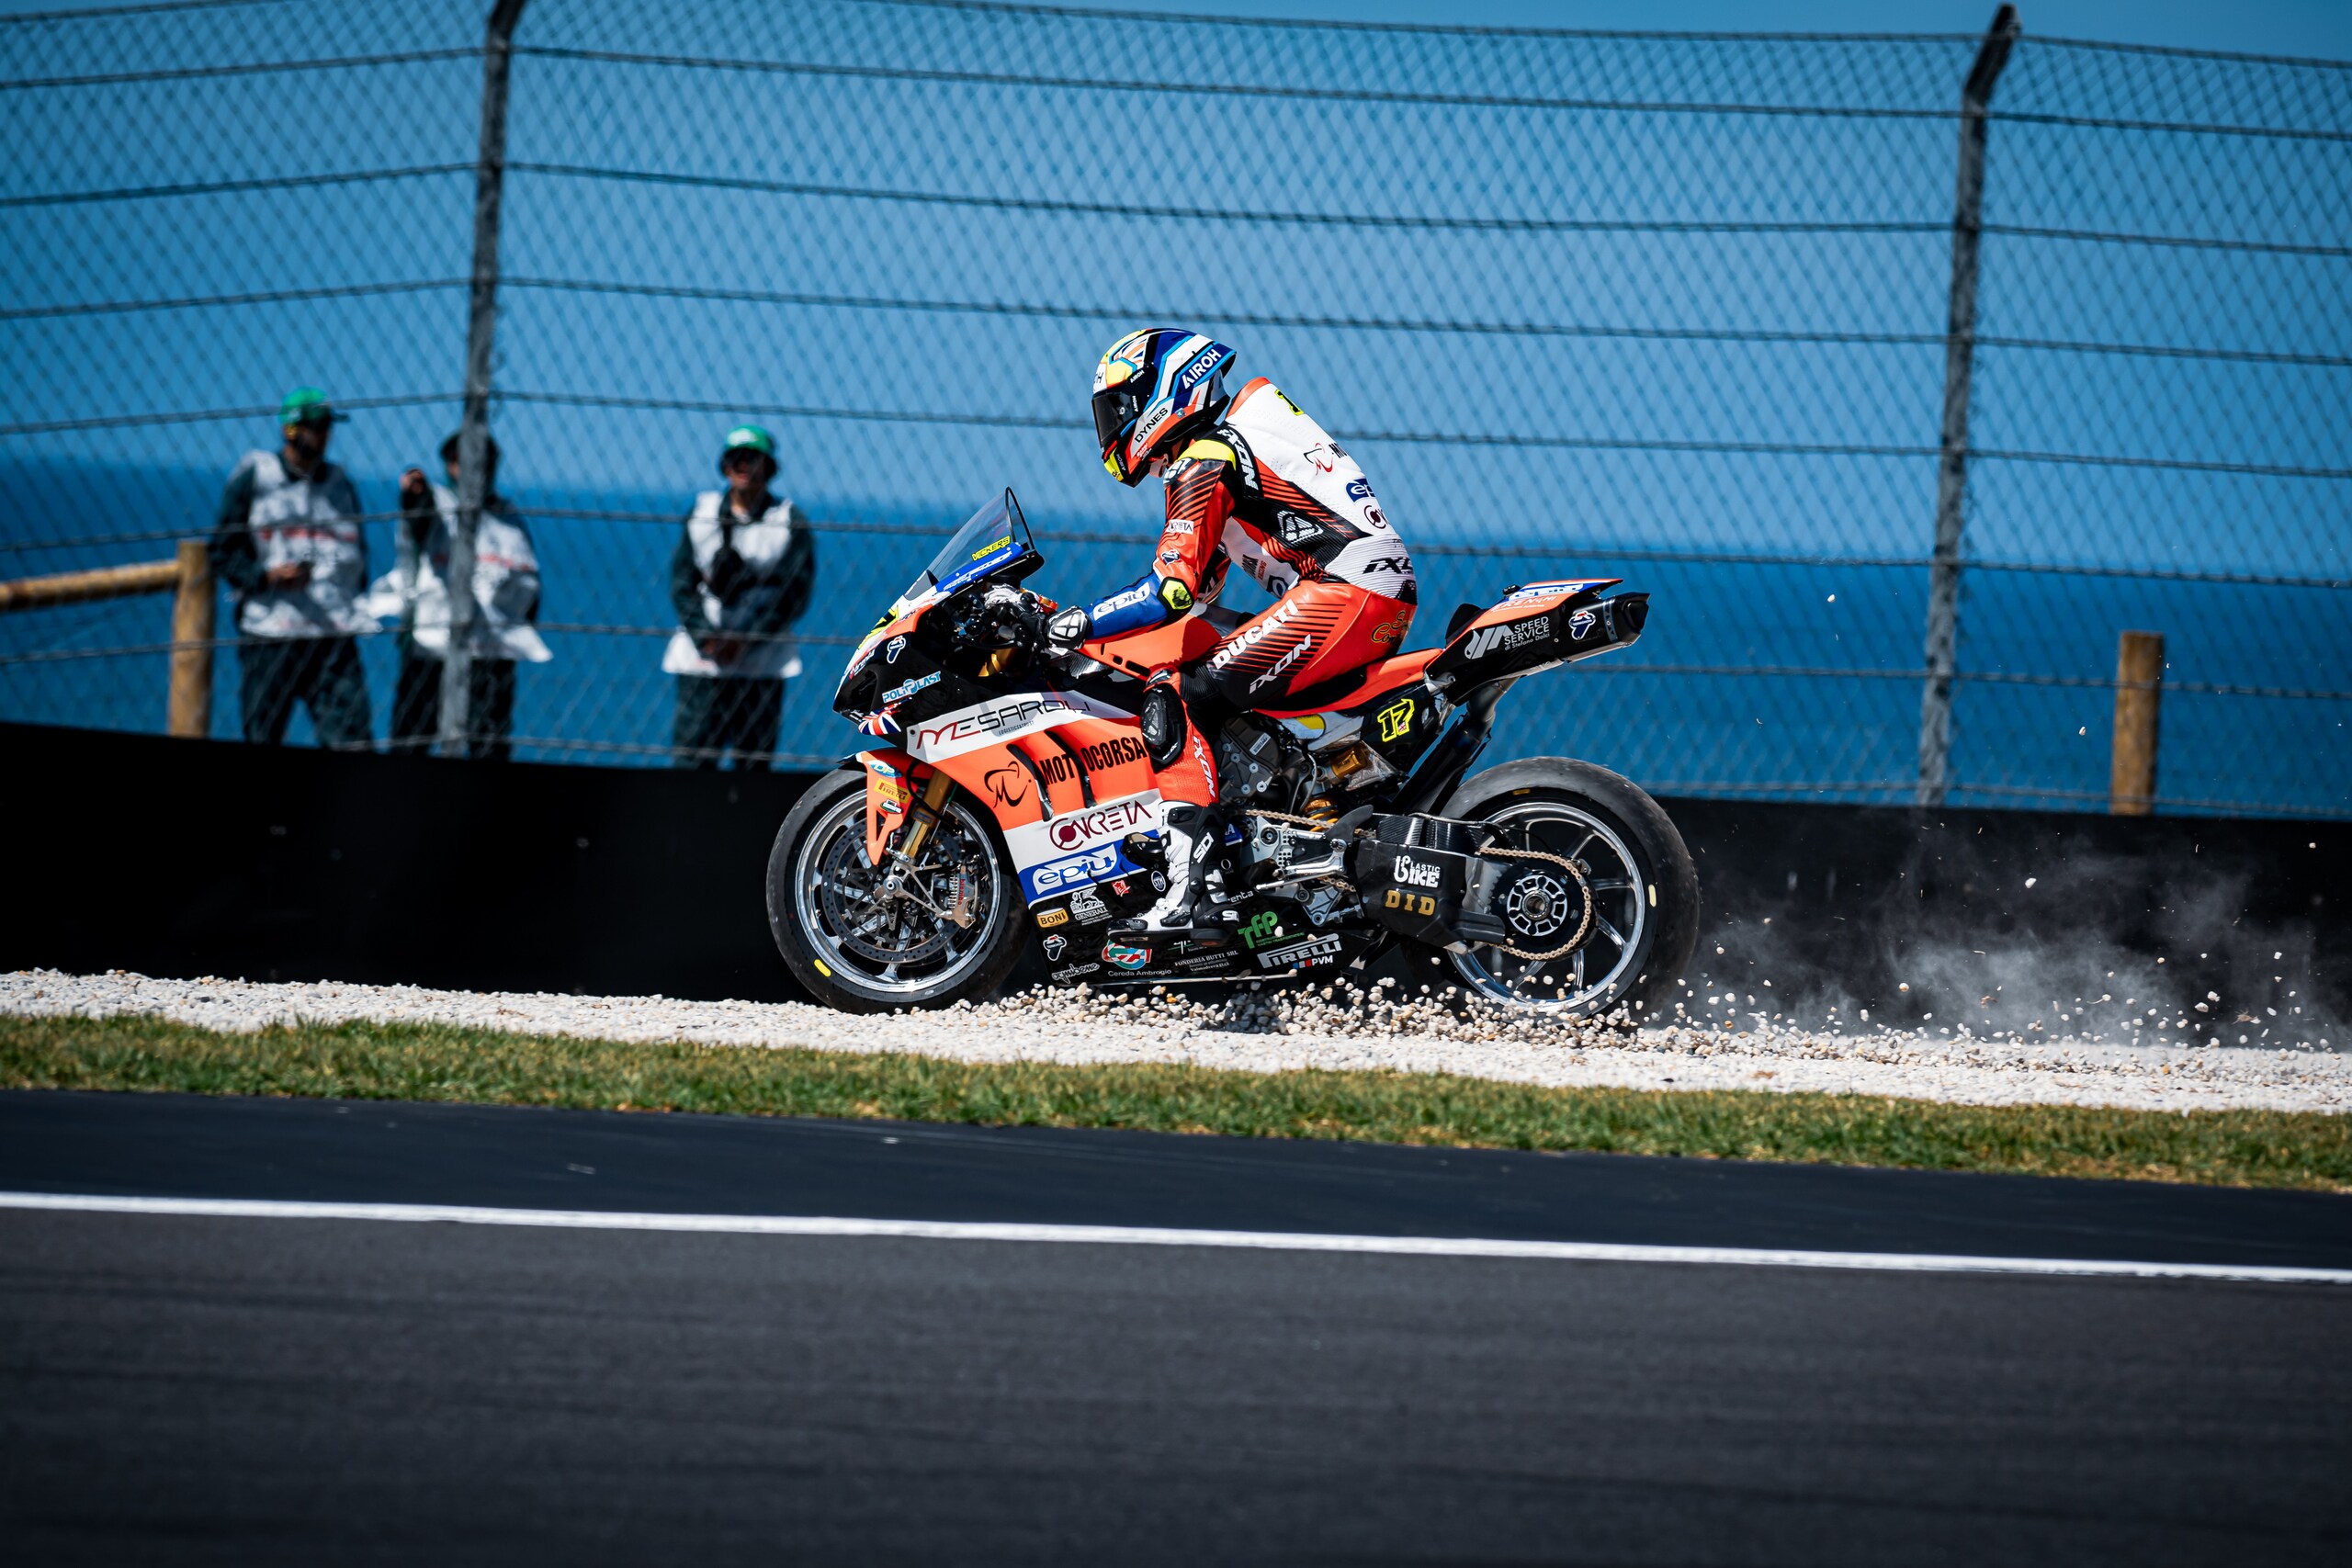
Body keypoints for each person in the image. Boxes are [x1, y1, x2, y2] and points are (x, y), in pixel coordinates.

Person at [1043, 330, 1419, 934]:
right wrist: (1098, 637)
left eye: (1121, 406)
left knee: (1182, 693)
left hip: (1345, 591)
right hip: (1364, 591)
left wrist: (1069, 623)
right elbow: (1191, 606)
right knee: (1194, 659)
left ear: (1162, 391)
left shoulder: (1205, 456)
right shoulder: (1230, 447)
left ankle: (1195, 891)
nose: (1114, 426)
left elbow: (1170, 589)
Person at [208, 386, 375, 748]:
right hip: (272, 634)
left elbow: (357, 551)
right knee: (264, 735)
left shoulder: (340, 484)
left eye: (328, 426)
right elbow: (222, 549)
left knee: (353, 740)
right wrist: (266, 577)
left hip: (332, 635)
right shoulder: (258, 477)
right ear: (290, 430)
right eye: (317, 426)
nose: (325, 434)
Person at [372, 432, 548, 761]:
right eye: (471, 461)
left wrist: (520, 630)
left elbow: (528, 581)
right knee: (412, 741)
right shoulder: (437, 503)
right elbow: (419, 515)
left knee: (489, 744)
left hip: (491, 651)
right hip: (432, 645)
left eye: (488, 462)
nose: (481, 470)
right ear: (452, 465)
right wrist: (414, 492)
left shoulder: (507, 516)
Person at [662, 424, 816, 770]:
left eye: (753, 458)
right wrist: (707, 637)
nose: (743, 465)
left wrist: (746, 640)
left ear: (769, 466)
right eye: (735, 458)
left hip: (762, 662)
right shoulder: (701, 513)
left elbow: (794, 594)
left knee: (754, 762)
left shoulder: (789, 520)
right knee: (693, 759)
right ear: (724, 465)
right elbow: (681, 583)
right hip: (701, 661)